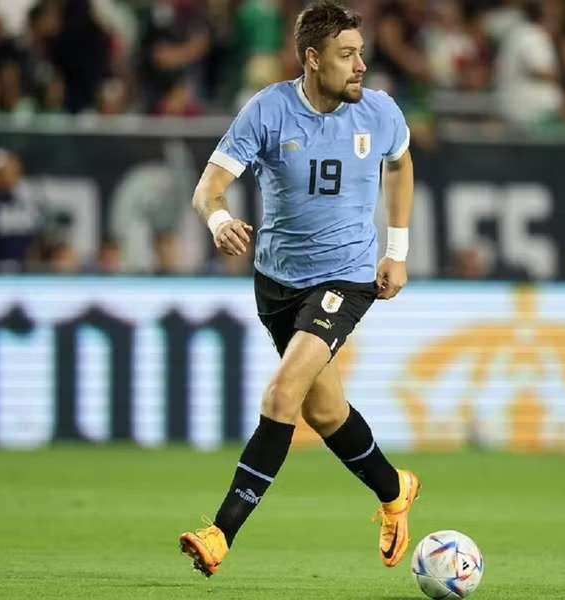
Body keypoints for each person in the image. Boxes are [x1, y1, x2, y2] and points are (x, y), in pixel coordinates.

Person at [179, 1, 419, 578]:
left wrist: (398, 252)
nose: (360, 65)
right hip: (277, 284)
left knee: (283, 394)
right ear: (313, 60)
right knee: (325, 407)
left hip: (347, 277)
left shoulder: (379, 112)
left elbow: (402, 163)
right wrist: (218, 222)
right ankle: (395, 489)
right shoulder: (268, 112)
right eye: (346, 55)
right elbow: (207, 190)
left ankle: (221, 532)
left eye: (361, 52)